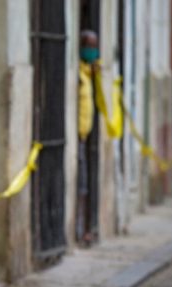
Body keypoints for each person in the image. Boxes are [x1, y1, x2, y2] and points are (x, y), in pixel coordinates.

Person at [76, 30, 100, 246]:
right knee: (80, 185)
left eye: (95, 46)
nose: (93, 50)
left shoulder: (90, 72)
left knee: (84, 185)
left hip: (85, 135)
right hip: (75, 136)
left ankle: (84, 229)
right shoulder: (77, 73)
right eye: (89, 45)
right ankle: (79, 230)